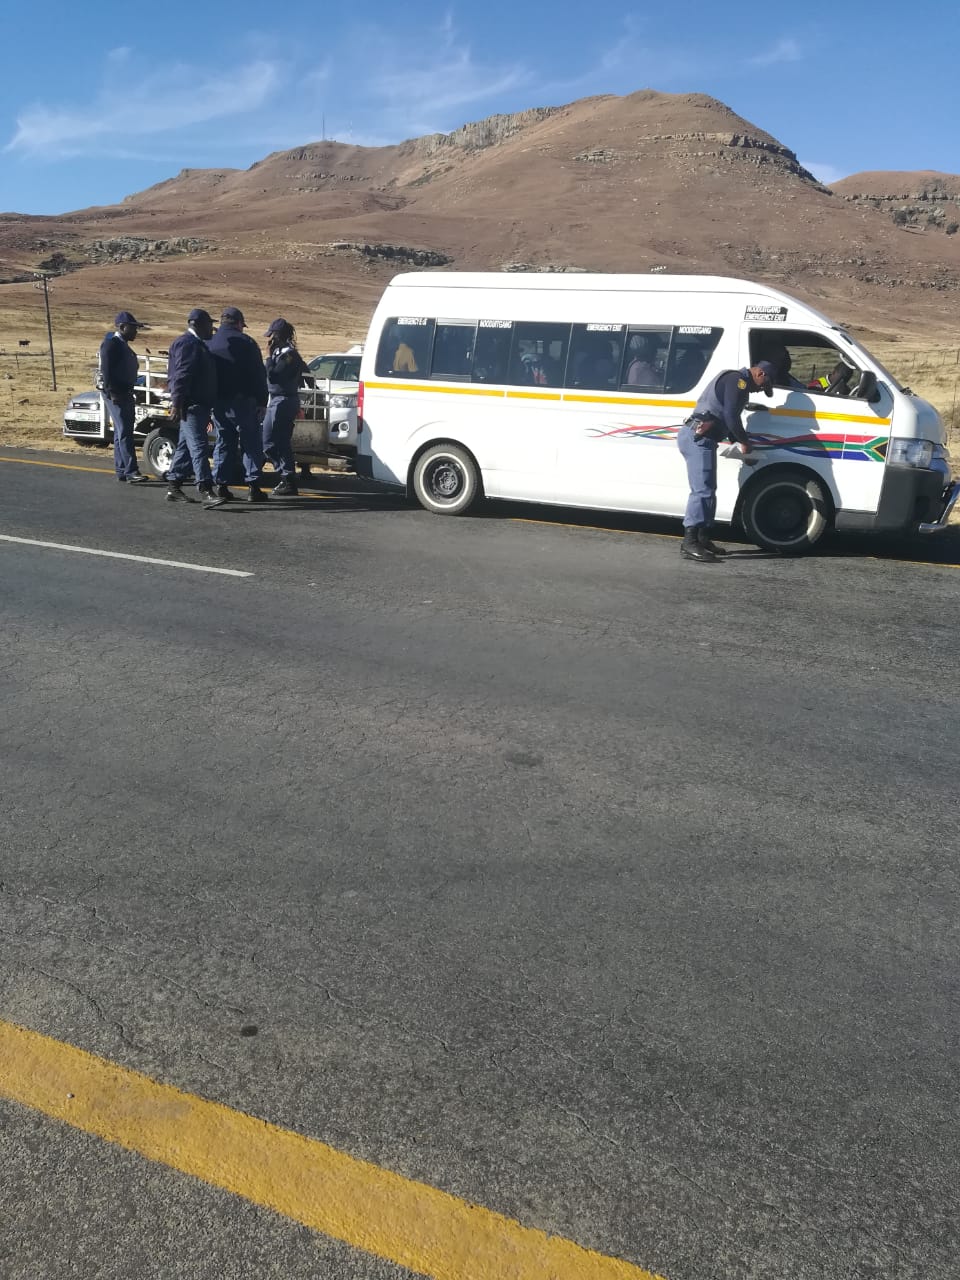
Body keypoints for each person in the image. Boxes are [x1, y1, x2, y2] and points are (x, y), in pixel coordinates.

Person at [676, 360, 777, 562]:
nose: (759, 391)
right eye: (762, 385)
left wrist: (741, 446)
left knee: (709, 489)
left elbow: (727, 420)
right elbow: (731, 416)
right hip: (698, 438)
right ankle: (689, 542)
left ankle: (703, 538)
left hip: (705, 438)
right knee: (702, 490)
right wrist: (745, 443)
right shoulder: (736, 380)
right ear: (759, 373)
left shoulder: (740, 385)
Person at [164, 308, 226, 509]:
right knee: (198, 446)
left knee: (185, 445)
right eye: (209, 324)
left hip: (198, 405)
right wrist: (177, 402)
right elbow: (181, 375)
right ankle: (206, 489)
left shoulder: (197, 344)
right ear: (197, 325)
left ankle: (174, 485)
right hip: (191, 405)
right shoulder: (188, 344)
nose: (212, 328)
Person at [207, 306, 269, 503]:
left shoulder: (210, 343)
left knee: (224, 442)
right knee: (250, 442)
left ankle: (222, 484)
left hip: (218, 401)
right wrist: (262, 400)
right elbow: (259, 374)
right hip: (243, 401)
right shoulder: (247, 343)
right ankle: (253, 486)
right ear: (239, 323)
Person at [262, 318, 313, 497]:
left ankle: (288, 479)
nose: (270, 340)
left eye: (273, 335)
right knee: (269, 442)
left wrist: (268, 357)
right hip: (276, 400)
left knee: (277, 441)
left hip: (283, 401)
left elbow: (275, 376)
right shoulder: (280, 353)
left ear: (280, 336)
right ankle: (286, 476)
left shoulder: (289, 355)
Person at [99, 311, 150, 484]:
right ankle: (131, 470)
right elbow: (106, 370)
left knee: (121, 432)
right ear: (122, 327)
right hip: (116, 394)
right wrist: (113, 392)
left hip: (123, 392)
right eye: (133, 328)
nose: (136, 332)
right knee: (125, 432)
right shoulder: (111, 344)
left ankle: (122, 469)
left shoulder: (121, 344)